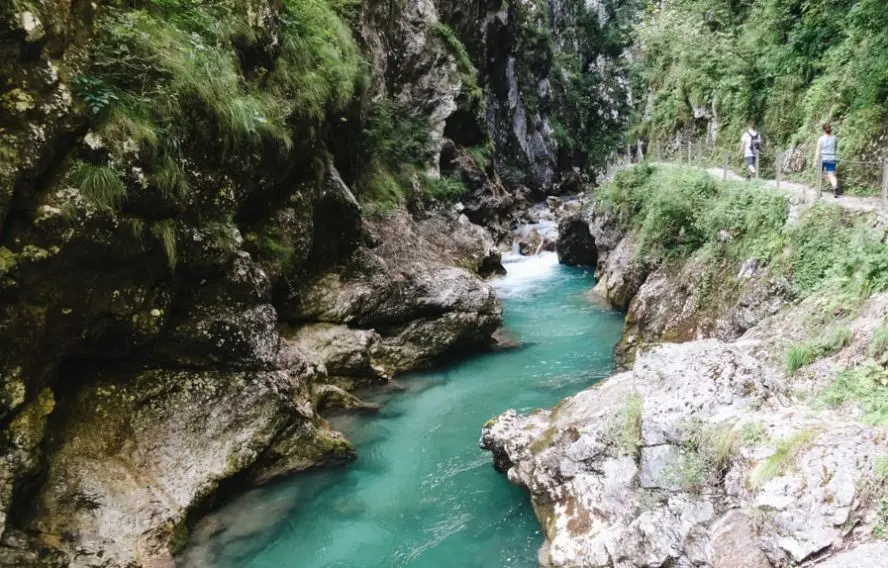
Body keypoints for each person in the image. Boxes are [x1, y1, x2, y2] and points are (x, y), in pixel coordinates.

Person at [816, 123, 840, 197]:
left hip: (822, 158)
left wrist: (815, 160)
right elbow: (835, 148)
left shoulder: (821, 139)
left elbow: (818, 151)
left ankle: (819, 191)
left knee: (820, 174)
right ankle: (835, 187)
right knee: (831, 174)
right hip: (832, 158)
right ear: (830, 130)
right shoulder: (834, 138)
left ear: (823, 130)